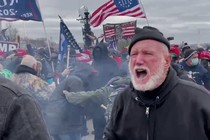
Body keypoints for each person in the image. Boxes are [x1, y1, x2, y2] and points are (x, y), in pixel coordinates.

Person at [103, 26, 210, 140]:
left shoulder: (198, 101)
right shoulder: (123, 100)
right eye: (133, 54)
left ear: (166, 61)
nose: (138, 60)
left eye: (147, 53)